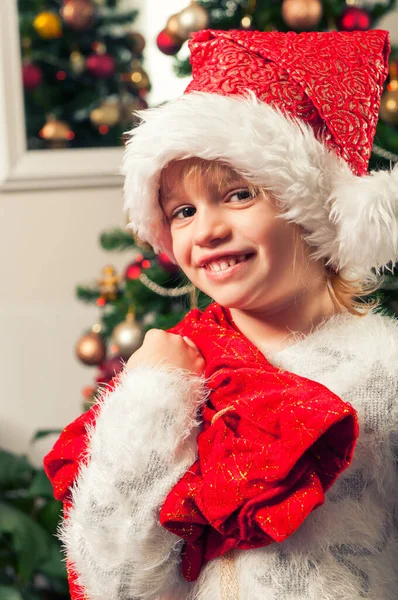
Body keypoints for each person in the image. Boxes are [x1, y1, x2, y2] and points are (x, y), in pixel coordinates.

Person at [44, 29, 398, 600]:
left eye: (239, 195)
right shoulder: (169, 374)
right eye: (182, 211)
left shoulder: (386, 370)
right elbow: (112, 583)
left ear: (312, 208)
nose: (206, 230)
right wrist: (152, 397)